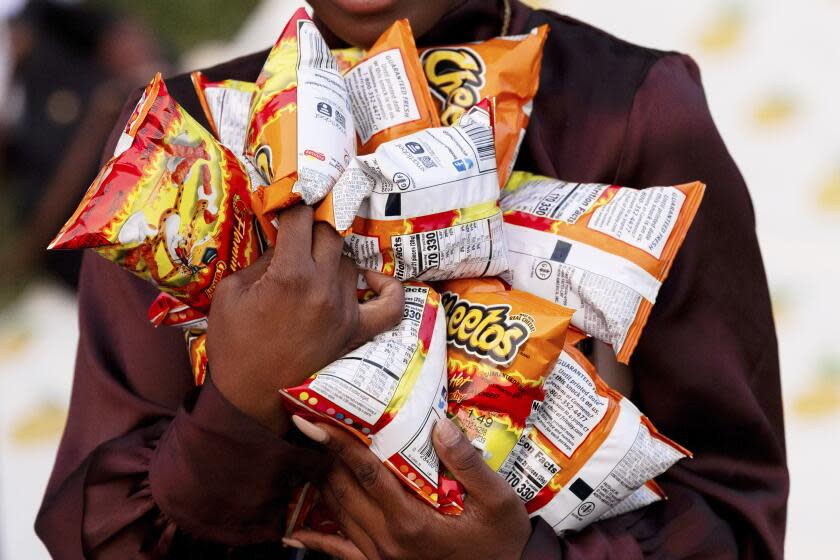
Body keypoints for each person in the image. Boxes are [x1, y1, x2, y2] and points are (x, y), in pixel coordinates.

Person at [35, 0, 788, 558]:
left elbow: (734, 514)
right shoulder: (178, 147)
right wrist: (241, 405)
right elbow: (96, 532)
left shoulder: (631, 115)